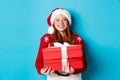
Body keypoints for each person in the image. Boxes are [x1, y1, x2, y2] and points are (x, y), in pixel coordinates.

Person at [35, 8, 87, 80]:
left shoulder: (77, 39)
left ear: (68, 22)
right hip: (54, 77)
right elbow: (39, 62)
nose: (61, 23)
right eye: (57, 20)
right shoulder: (46, 39)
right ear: (53, 22)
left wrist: (74, 71)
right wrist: (42, 70)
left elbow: (84, 64)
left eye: (64, 20)